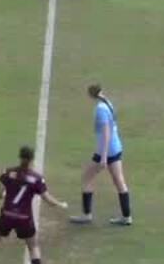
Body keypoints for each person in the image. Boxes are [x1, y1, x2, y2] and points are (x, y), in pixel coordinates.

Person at [0, 145, 68, 264]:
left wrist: (6, 194)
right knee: (33, 246)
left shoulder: (8, 172)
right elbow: (47, 199)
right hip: (24, 218)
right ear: (32, 159)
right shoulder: (37, 178)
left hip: (7, 214)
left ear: (20, 157)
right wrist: (60, 204)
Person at [69, 84, 132, 226]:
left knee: (86, 177)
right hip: (116, 148)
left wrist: (103, 157)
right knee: (119, 182)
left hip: (105, 150)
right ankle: (127, 216)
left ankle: (86, 214)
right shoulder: (107, 103)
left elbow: (106, 132)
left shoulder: (100, 109)